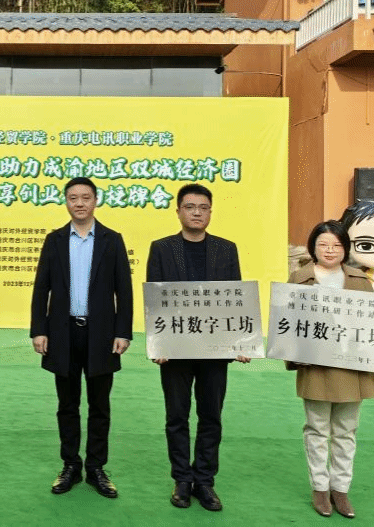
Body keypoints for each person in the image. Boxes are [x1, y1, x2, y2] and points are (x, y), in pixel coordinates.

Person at [145, 183, 247, 512]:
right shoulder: (161, 249)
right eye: (190, 207)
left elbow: (236, 299)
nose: (197, 213)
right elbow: (155, 301)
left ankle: (204, 481)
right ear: (178, 211)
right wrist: (157, 343)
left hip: (215, 349)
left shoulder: (226, 250)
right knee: (176, 416)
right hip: (175, 348)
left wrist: (239, 342)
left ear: (210, 212)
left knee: (211, 416)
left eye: (203, 208)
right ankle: (181, 479)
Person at [30, 177, 133, 499]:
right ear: (66, 202)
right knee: (67, 404)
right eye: (73, 198)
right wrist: (39, 329)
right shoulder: (55, 240)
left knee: (100, 405)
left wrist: (123, 331)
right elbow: (41, 287)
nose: (79, 203)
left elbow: (124, 290)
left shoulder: (112, 240)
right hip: (63, 333)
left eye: (85, 197)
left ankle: (97, 467)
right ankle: (70, 465)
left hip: (101, 335)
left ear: (95, 200)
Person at [288, 220, 374, 518]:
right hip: (315, 366)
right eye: (323, 244)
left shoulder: (360, 280)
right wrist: (295, 354)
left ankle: (341, 489)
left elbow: (373, 324)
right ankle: (320, 488)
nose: (330, 250)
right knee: (317, 429)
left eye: (336, 245)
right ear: (313, 247)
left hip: (350, 368)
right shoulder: (299, 279)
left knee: (346, 430)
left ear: (345, 248)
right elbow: (288, 324)